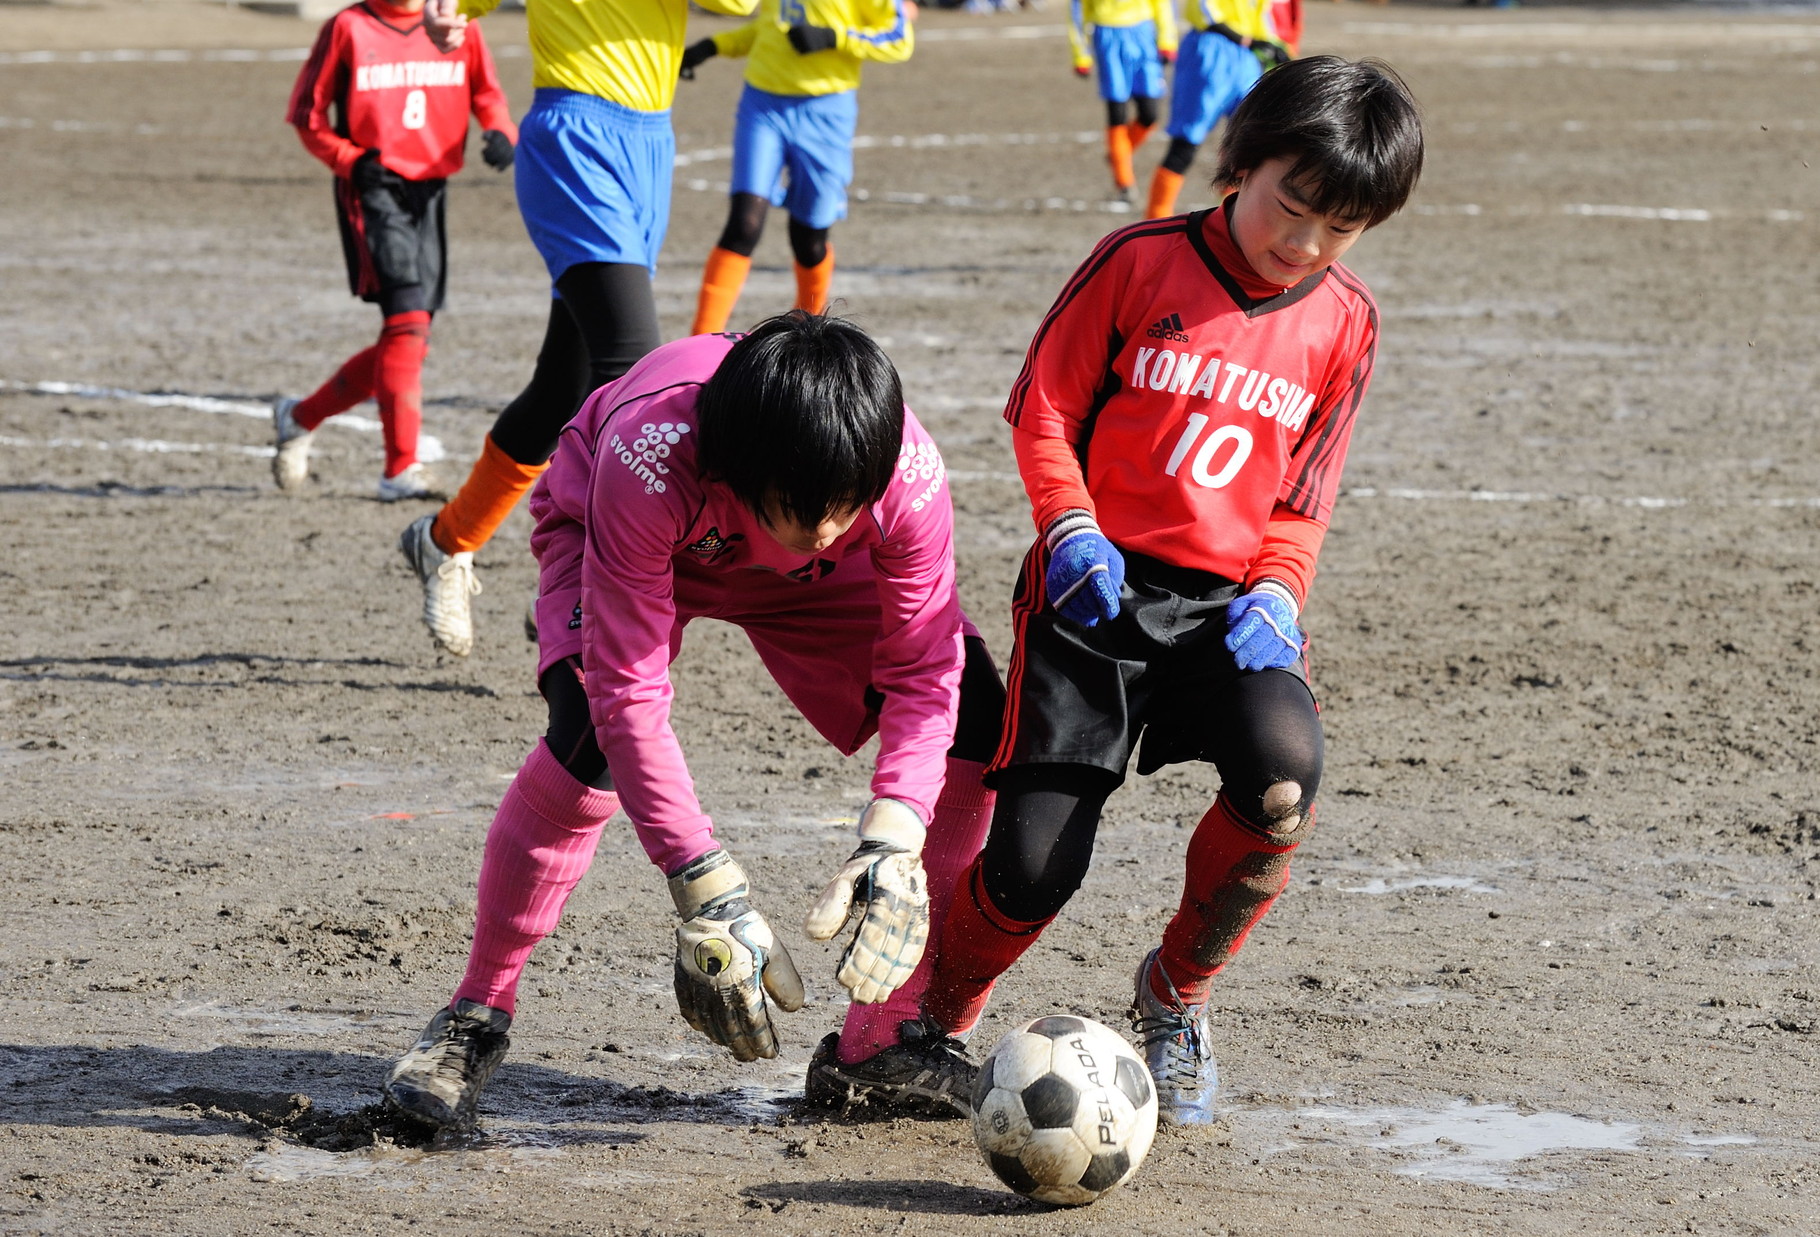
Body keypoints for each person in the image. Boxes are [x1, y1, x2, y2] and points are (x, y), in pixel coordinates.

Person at [912, 56, 1424, 1126]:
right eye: (1291, 209)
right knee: (1029, 871)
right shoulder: (1135, 261)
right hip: (1089, 601)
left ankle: (1173, 997)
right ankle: (939, 1018)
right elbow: (1041, 412)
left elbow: (1301, 497)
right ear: (1239, 163)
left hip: (1224, 615)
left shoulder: (1345, 321)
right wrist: (1070, 528)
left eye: (1341, 230)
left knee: (1283, 777)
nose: (1306, 246)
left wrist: (1277, 592)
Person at [381, 313, 1005, 1129]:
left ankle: (881, 1044)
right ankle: (473, 1015)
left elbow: (927, 670)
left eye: (846, 507)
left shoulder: (903, 472)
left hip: (811, 579)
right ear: (743, 469)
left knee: (984, 719)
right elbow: (628, 691)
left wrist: (896, 835)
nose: (825, 526)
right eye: (805, 506)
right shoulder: (652, 453)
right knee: (587, 740)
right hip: (640, 539)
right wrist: (703, 884)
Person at [396, 0, 760, 658]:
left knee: (564, 382)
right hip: (576, 138)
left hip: (647, 141)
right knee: (633, 373)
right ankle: (582, 588)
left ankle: (445, 540)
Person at [276, 0, 516, 501]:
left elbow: (488, 93)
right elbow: (306, 114)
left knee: (410, 338)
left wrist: (501, 131)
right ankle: (399, 469)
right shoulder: (348, 26)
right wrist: (350, 161)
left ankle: (300, 417)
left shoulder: (457, 23)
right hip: (373, 187)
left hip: (432, 188)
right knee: (407, 323)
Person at [680, 0, 915, 336]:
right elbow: (768, 29)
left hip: (826, 112)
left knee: (809, 241)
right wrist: (712, 46)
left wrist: (835, 37)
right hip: (762, 104)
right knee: (744, 224)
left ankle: (809, 339)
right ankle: (699, 342)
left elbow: (898, 39)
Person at [1144, 0, 1289, 219]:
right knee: (1186, 140)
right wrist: (1248, 41)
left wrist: (1275, 46)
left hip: (1247, 59)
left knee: (1251, 138)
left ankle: (1232, 215)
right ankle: (1155, 217)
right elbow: (1206, 12)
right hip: (1210, 53)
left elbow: (1262, 15)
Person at [1068, 0, 1177, 202]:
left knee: (1149, 114)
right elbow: (1077, 12)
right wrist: (1080, 55)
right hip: (1107, 36)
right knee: (1117, 111)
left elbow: (1162, 4)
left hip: (1143, 34)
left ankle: (1118, 155)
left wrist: (1167, 40)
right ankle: (1124, 182)